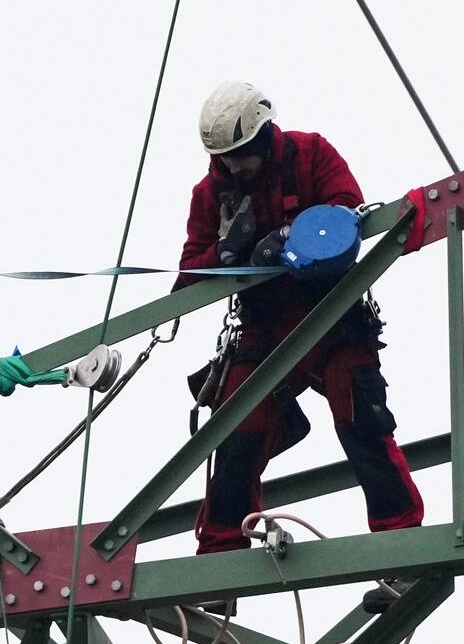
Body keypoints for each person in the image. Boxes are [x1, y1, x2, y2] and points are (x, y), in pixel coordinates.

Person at [176, 81, 422, 609]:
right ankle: (219, 568)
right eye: (227, 159)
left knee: (364, 422)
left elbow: (346, 212)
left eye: (243, 156)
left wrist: (289, 239)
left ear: (265, 133)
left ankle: (403, 552)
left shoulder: (310, 153)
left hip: (330, 319)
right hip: (264, 335)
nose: (237, 168)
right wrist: (227, 259)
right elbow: (189, 268)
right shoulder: (212, 192)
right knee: (234, 435)